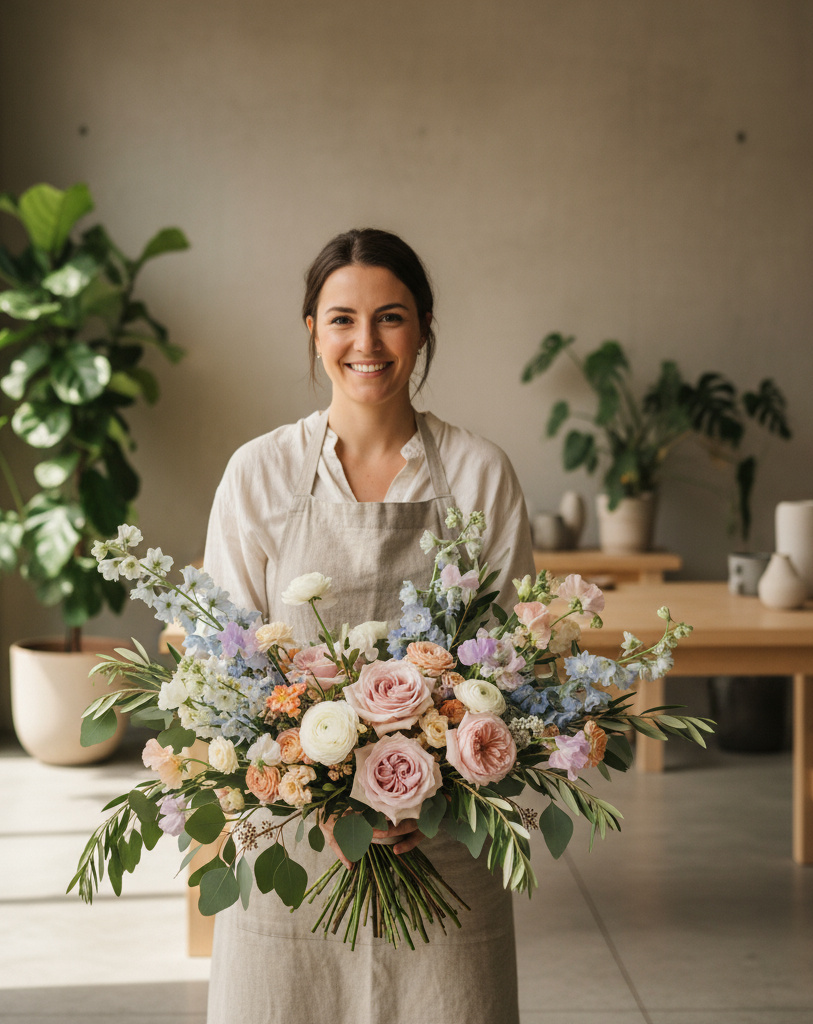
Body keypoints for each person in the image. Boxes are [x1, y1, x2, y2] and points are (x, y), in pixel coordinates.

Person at [203, 228, 533, 1024]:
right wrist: (320, 791)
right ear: (312, 329)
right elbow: (226, 660)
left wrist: (438, 788)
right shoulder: (261, 472)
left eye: (391, 317)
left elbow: (519, 661)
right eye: (341, 318)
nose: (366, 341)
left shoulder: (480, 472)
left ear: (423, 328)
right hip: (296, 829)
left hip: (443, 836)